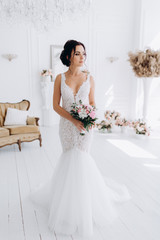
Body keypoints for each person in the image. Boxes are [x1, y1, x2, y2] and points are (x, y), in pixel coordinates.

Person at [31, 40, 131, 238]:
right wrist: (73, 120)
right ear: (69, 56)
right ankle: (66, 206)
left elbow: (92, 102)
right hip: (67, 128)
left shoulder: (89, 78)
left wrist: (90, 119)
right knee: (69, 159)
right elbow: (56, 106)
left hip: (85, 128)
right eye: (78, 53)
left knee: (83, 160)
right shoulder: (60, 78)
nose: (82, 57)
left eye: (84, 53)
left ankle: (85, 206)